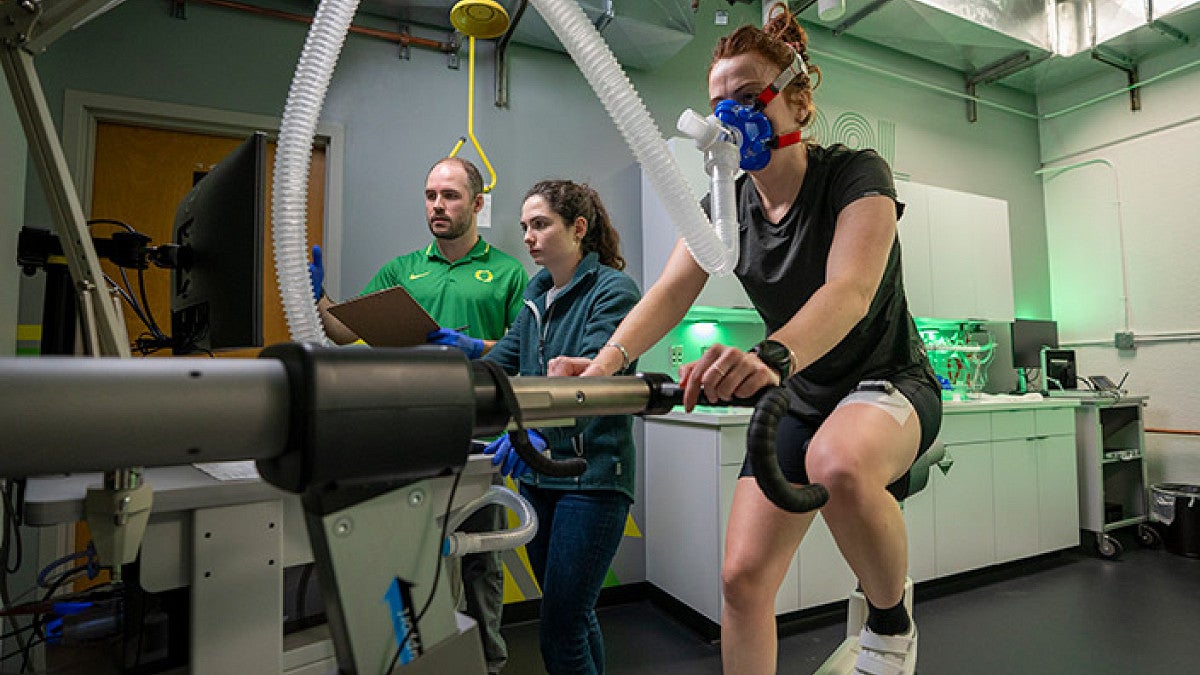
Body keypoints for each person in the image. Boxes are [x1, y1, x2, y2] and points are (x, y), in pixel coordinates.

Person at [548, 12, 941, 675]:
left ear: (798, 102)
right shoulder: (724, 208)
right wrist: (607, 361)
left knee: (837, 462)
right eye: (718, 104)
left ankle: (889, 621)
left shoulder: (854, 174)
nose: (730, 117)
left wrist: (771, 356)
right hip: (803, 398)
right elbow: (670, 292)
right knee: (741, 580)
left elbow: (849, 290)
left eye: (749, 96)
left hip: (889, 382)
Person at [312, 156, 528, 674]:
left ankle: (489, 662)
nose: (437, 205)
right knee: (406, 547)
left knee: (480, 556)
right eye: (431, 195)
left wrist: (476, 347)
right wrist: (316, 295)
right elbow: (340, 332)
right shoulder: (401, 271)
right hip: (409, 427)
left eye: (450, 195)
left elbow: (525, 349)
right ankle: (414, 659)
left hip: (478, 428)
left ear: (477, 203)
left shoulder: (508, 272)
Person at [481, 179, 641, 675]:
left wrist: (535, 430)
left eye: (540, 224)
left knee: (559, 630)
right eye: (525, 226)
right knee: (575, 614)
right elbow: (502, 362)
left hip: (591, 478)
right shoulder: (536, 294)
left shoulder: (613, 291)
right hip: (539, 477)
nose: (528, 236)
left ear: (578, 228)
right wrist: (450, 362)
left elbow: (590, 382)